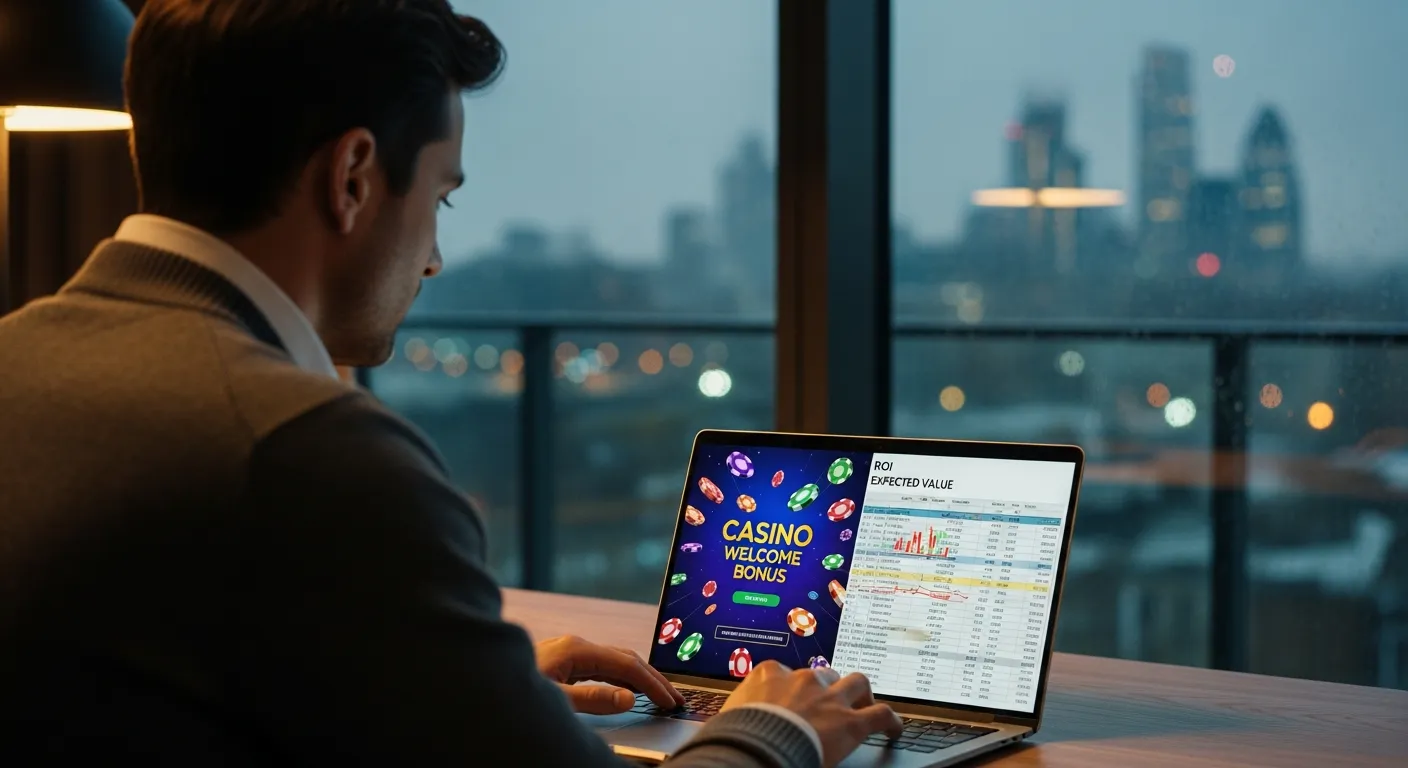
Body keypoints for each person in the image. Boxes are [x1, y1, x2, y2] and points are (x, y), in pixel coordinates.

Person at [0, 1, 901, 765]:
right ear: (354, 178)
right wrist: (777, 728)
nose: (433, 258)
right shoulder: (310, 451)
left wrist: (465, 686)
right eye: (440, 197)